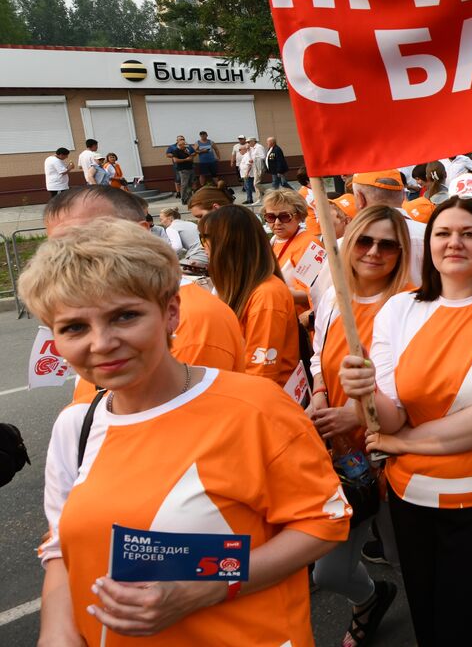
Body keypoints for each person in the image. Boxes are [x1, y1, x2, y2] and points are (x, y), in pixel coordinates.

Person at [24, 219, 348, 647]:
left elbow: (323, 523)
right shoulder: (77, 426)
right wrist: (56, 630)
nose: (101, 343)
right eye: (74, 328)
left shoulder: (256, 408)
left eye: (125, 316)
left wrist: (208, 586)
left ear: (171, 312)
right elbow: (62, 547)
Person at [339, 197, 472, 646]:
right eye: (443, 233)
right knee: (430, 619)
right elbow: (389, 420)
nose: (455, 242)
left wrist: (403, 445)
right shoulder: (399, 311)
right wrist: (364, 390)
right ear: (427, 244)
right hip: (413, 498)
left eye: (468, 233)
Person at [308, 206, 412, 646]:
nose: (374, 252)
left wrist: (359, 414)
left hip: (391, 454)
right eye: (365, 240)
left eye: (388, 244)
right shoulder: (334, 296)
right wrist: (317, 395)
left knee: (404, 556)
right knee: (329, 571)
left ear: (401, 252)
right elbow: (317, 357)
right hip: (336, 456)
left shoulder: (410, 304)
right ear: (349, 243)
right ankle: (370, 599)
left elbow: (415, 386)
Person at [46, 186, 247, 395]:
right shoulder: (88, 309)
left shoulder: (193, 317)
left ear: (140, 233)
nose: (69, 257)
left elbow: (185, 417)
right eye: (57, 246)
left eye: (88, 240)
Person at [200, 204, 300, 388]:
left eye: (206, 238)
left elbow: (261, 374)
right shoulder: (243, 287)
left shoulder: (267, 295)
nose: (203, 246)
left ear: (228, 242)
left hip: (265, 402)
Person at [261, 187, 317, 312]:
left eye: (285, 217)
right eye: (270, 217)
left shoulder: (311, 244)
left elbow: (313, 293)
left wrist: (269, 293)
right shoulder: (274, 240)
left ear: (299, 216)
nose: (277, 222)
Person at [233, 135, 265, 205]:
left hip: (252, 171)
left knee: (252, 186)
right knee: (251, 186)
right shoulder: (249, 152)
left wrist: (247, 173)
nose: (239, 151)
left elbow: (251, 163)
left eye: (240, 150)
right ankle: (258, 197)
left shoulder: (256, 149)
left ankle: (263, 194)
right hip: (249, 172)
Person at [166, 135, 197, 204]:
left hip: (190, 168)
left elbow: (193, 154)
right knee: (184, 185)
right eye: (184, 144)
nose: (186, 145)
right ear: (180, 145)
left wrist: (190, 155)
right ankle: (184, 199)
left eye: (186, 144)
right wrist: (186, 159)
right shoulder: (176, 151)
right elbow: (175, 160)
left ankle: (190, 198)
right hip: (183, 170)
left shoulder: (187, 150)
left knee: (190, 184)